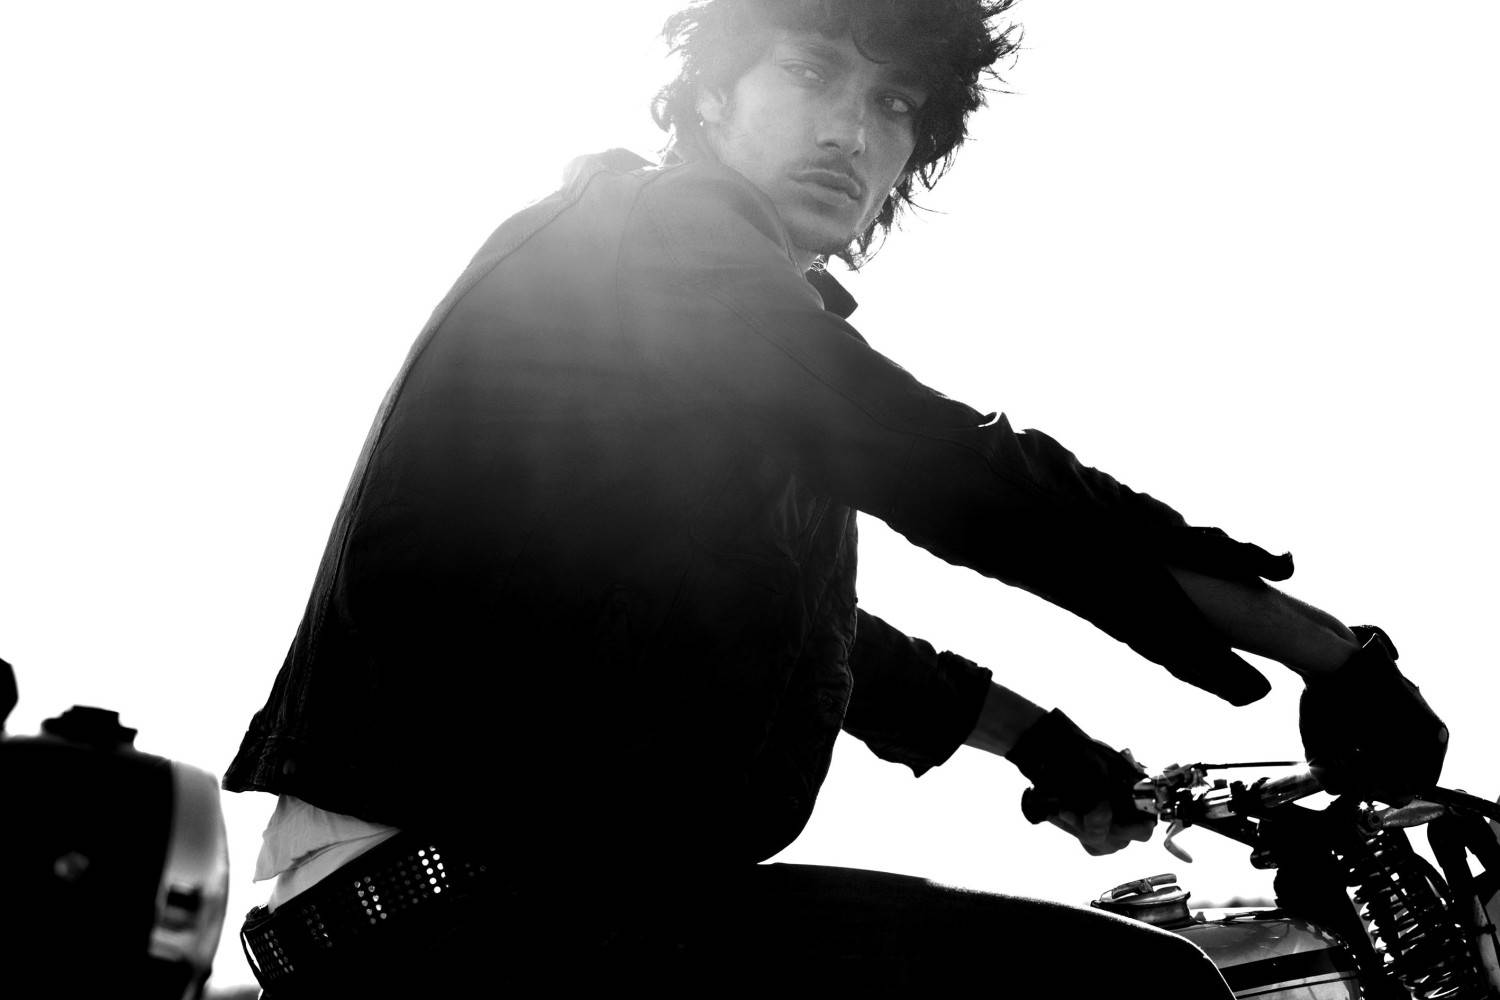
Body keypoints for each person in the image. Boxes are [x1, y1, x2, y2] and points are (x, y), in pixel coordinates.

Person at [224, 1, 1447, 995]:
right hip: (491, 904)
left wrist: (1041, 742)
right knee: (1143, 992)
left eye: (893, 104)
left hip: (462, 905)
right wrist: (1323, 652)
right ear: (713, 93)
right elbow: (950, 468)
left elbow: (808, 637)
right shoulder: (655, 241)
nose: (852, 132)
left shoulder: (672, 322)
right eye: (812, 72)